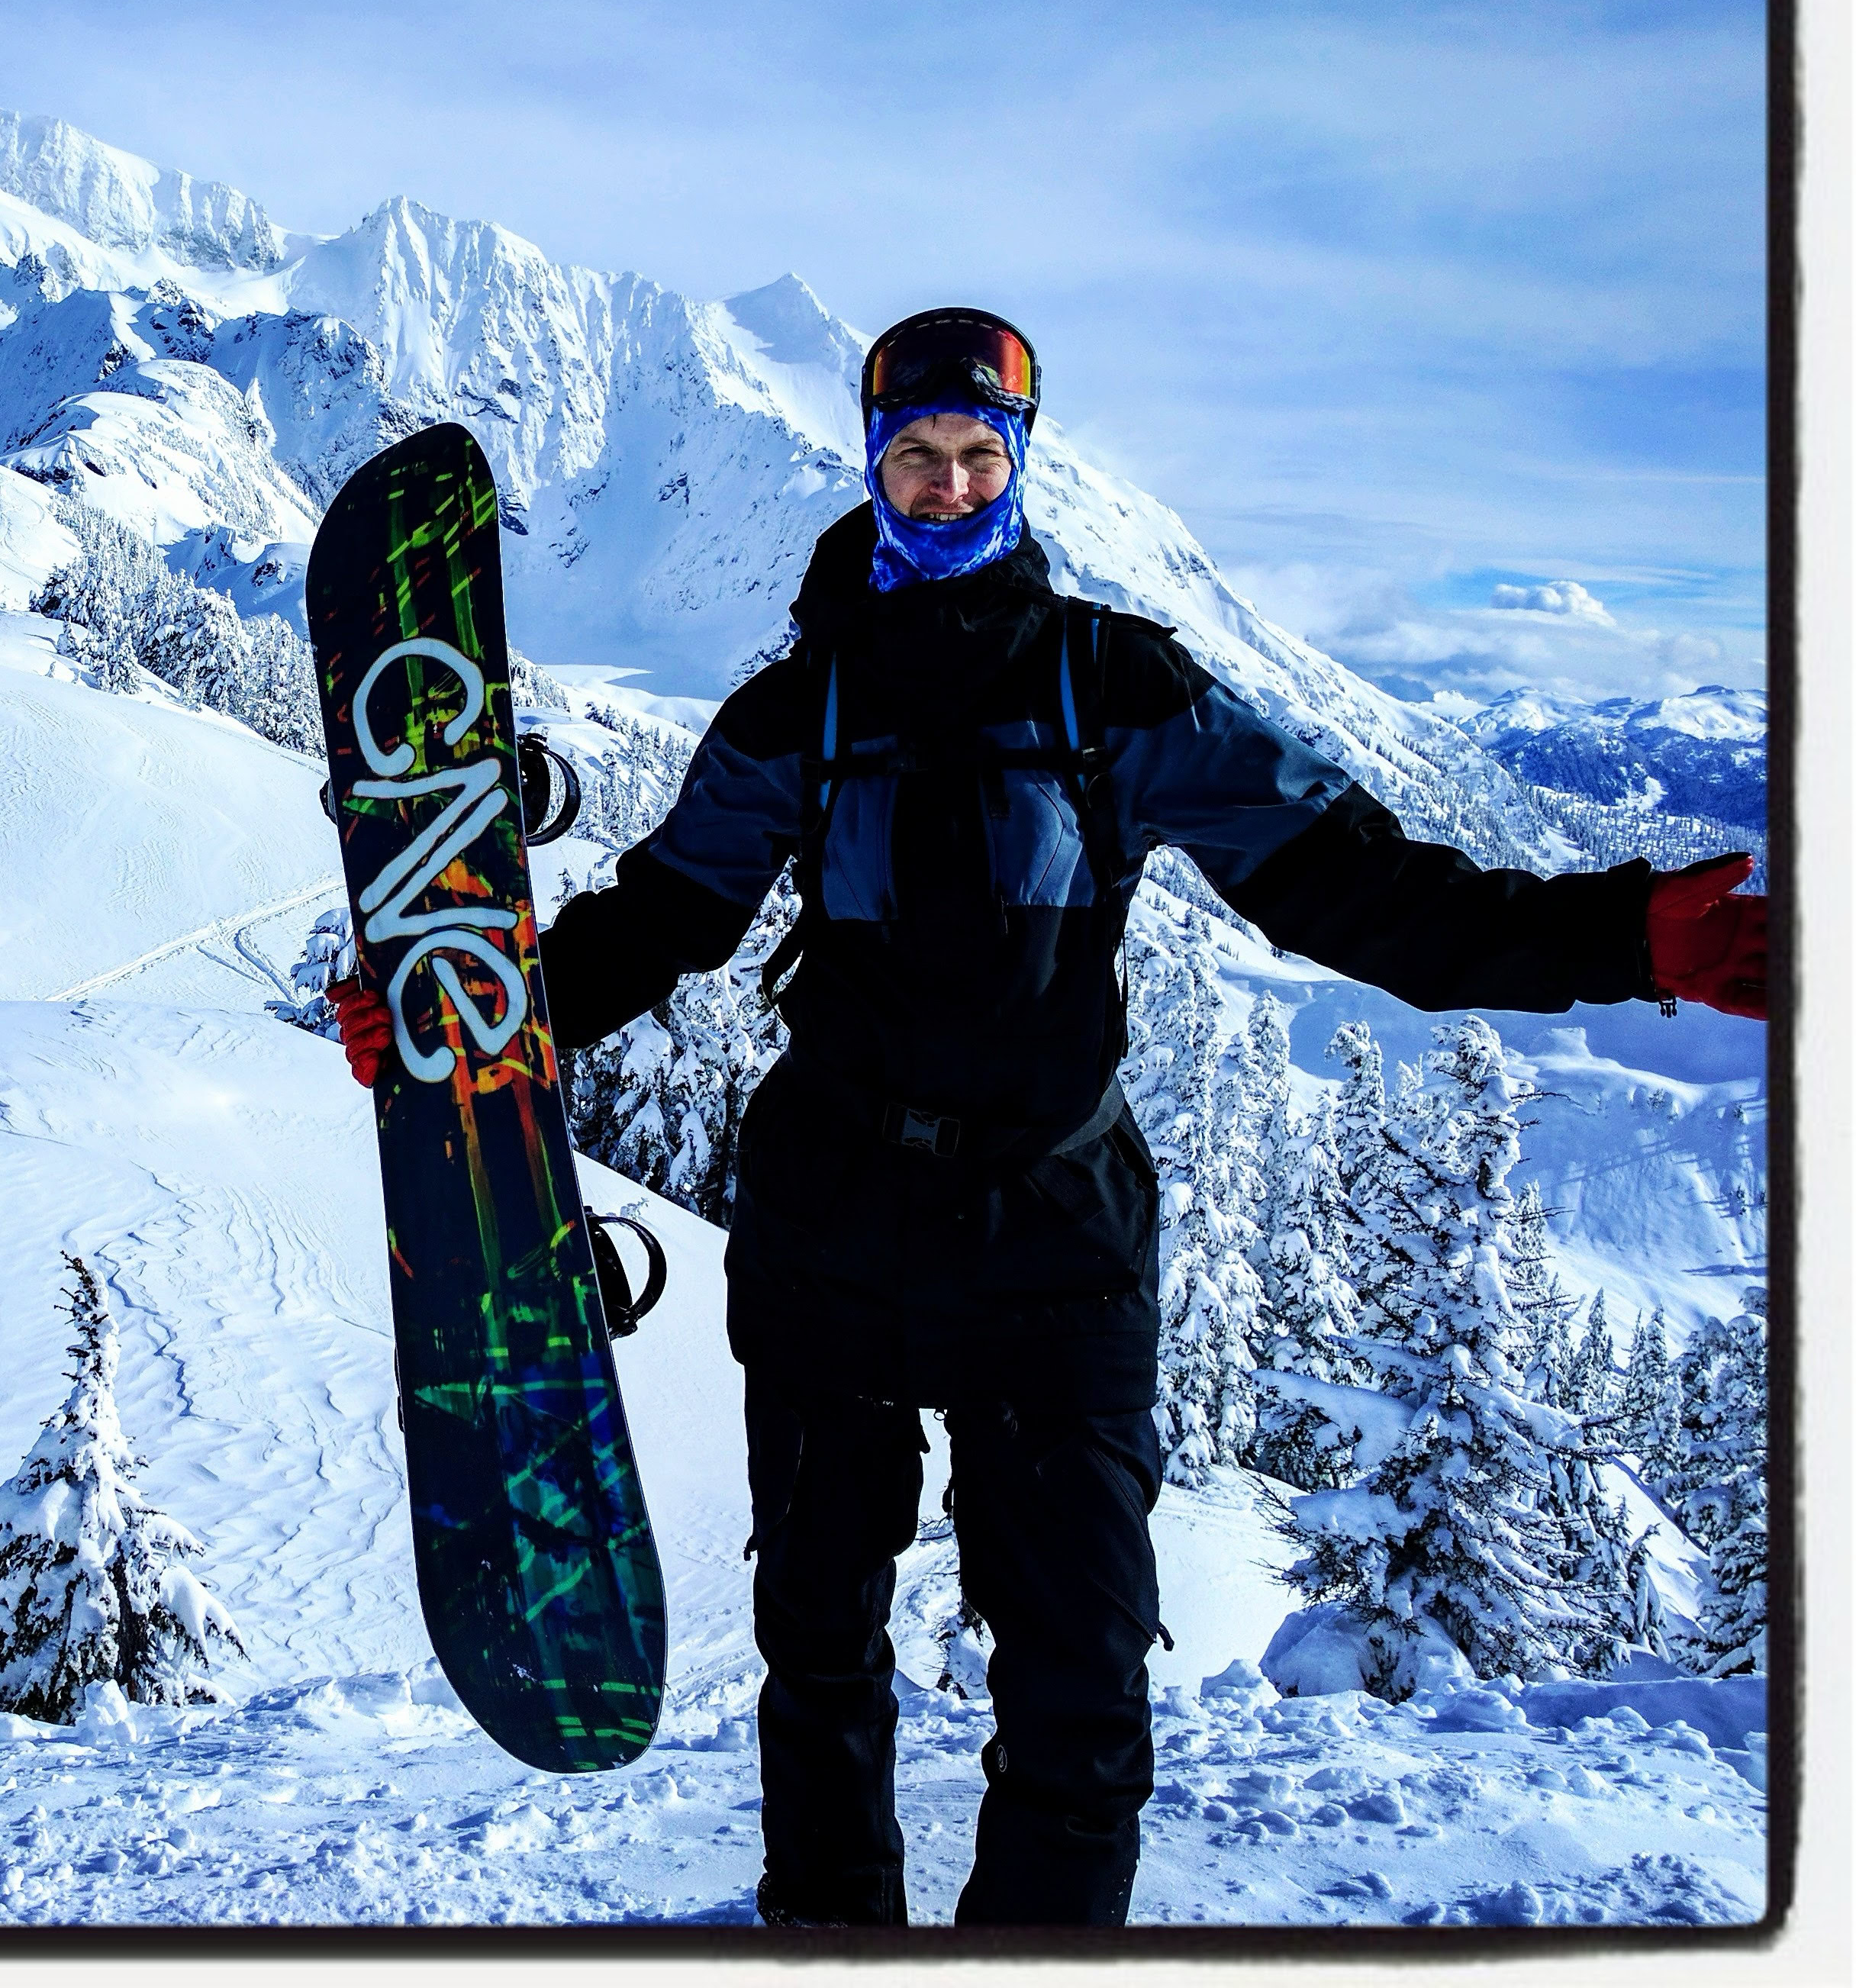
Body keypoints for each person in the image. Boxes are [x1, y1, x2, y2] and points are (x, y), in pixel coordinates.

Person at [327, 306, 1768, 1930]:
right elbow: (662, 917)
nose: (945, 487)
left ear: (1018, 467)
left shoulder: (1116, 688)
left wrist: (1628, 940)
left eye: (975, 456)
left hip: (1055, 1244)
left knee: (1082, 1686)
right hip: (833, 1234)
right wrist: (470, 1023)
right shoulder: (797, 711)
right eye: (915, 458)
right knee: (818, 1654)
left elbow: (1365, 895)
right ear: (872, 469)